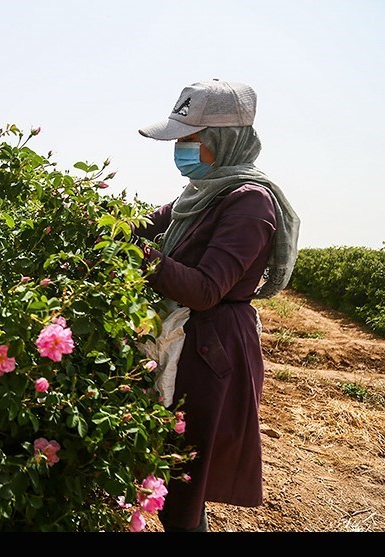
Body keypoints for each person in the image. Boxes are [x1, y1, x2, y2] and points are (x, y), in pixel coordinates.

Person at [133, 79, 300, 532]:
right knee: (171, 467)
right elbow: (143, 226)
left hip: (212, 352)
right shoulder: (196, 194)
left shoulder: (249, 203)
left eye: (190, 140)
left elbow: (207, 289)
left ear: (222, 141)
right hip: (190, 342)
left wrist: (141, 258)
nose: (181, 151)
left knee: (184, 486)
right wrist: (100, 223)